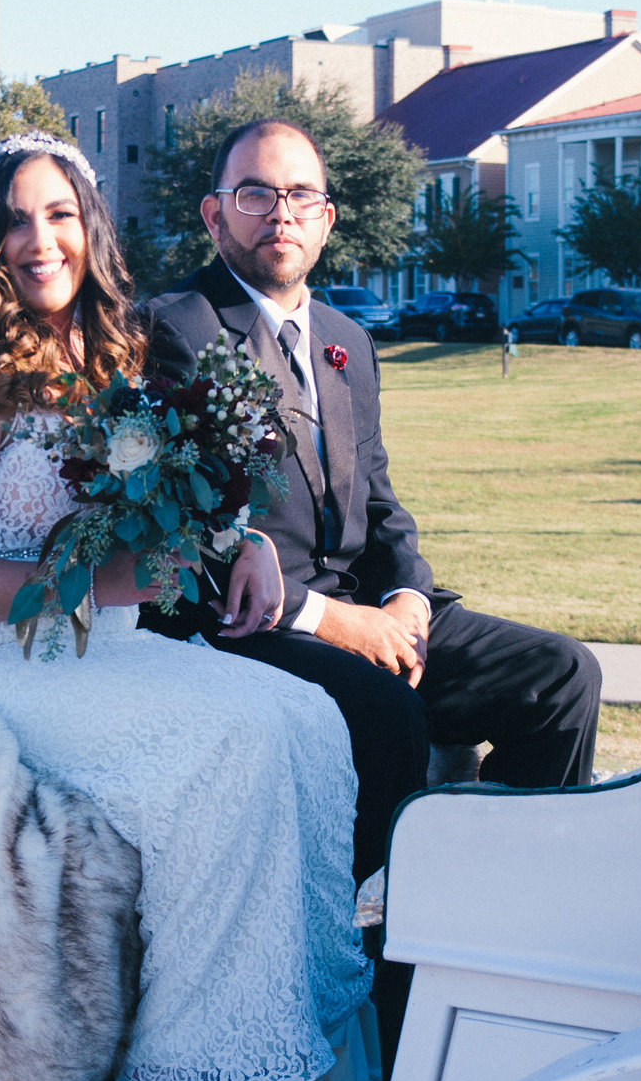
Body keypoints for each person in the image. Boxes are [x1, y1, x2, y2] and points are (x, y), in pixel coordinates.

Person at [0, 131, 373, 1081]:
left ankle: (288, 1040)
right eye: (15, 217)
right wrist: (102, 585)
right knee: (226, 741)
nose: (39, 238)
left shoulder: (107, 359)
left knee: (305, 717)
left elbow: (165, 501)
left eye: (59, 215)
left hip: (87, 646)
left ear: (89, 228)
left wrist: (241, 548)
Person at [140, 118, 604, 895]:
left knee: (560, 675)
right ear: (214, 214)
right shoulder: (174, 327)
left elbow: (381, 502)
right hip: (252, 628)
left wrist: (408, 600)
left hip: (372, 612)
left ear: (326, 218)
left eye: (299, 195)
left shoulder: (347, 338)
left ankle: (508, 899)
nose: (279, 213)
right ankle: (390, 964)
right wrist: (338, 624)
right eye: (255, 192)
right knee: (388, 712)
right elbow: (190, 529)